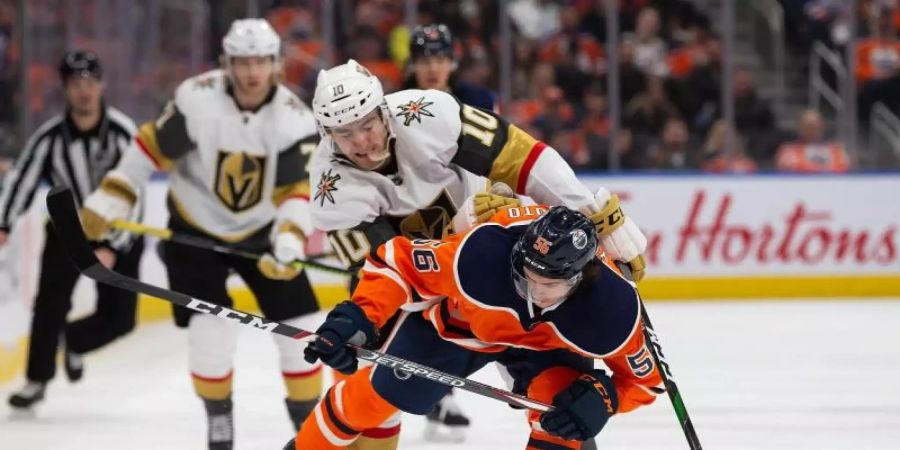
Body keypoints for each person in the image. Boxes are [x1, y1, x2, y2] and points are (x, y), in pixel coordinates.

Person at [307, 59, 649, 448]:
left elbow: (524, 159)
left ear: (384, 110)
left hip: (519, 267)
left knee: (565, 412)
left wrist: (595, 214)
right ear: (327, 134)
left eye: (367, 124)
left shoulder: (427, 114)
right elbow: (398, 275)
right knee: (373, 394)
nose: (362, 142)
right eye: (345, 133)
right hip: (451, 297)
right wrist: (464, 233)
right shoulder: (330, 193)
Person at [77, 19, 321, 450]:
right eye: (243, 62)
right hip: (193, 226)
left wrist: (287, 243)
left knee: (300, 330)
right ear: (228, 63)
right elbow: (148, 149)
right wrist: (109, 200)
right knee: (211, 332)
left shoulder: (294, 119)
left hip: (263, 230)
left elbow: (294, 192)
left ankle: (310, 429)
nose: (252, 72)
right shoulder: (197, 99)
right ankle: (219, 419)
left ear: (277, 65)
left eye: (261, 61)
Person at [291, 204, 663, 450]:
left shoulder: (611, 309)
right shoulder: (482, 253)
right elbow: (398, 263)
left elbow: (645, 381)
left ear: (580, 279)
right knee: (376, 398)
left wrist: (605, 398)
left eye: (548, 285)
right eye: (525, 277)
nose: (533, 292)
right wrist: (357, 316)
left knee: (564, 418)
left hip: (548, 351)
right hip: (462, 328)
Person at [0, 50, 144, 410]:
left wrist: (113, 243)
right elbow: (22, 181)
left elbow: (136, 190)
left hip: (120, 231)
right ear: (65, 89)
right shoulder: (50, 138)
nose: (85, 91)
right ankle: (36, 381)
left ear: (101, 86)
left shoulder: (123, 132)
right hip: (68, 233)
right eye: (76, 84)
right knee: (49, 306)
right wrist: (3, 223)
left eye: (91, 83)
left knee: (121, 319)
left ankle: (73, 342)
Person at [403, 23, 495, 111]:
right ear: (413, 65)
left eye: (440, 61)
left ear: (453, 63)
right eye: (424, 61)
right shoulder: (395, 104)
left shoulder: (477, 101)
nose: (433, 69)